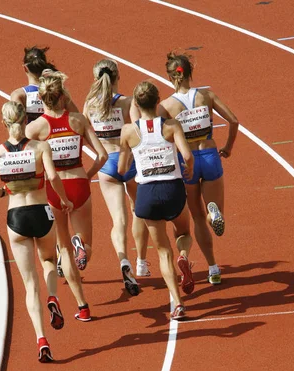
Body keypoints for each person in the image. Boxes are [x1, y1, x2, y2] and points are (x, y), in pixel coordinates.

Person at [0, 101, 73, 363]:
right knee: (48, 260)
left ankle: (41, 339)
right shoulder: (40, 147)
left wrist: (3, 193)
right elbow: (53, 178)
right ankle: (53, 296)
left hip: (15, 217)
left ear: (4, 123)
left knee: (30, 284)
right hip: (41, 211)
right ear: (25, 120)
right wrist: (64, 200)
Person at [25, 70, 107, 322]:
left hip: (53, 190)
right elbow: (102, 155)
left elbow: (29, 162)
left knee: (63, 251)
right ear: (63, 96)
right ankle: (80, 244)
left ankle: (83, 306)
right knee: (86, 246)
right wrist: (88, 174)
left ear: (41, 98)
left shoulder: (34, 128)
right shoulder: (79, 120)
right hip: (79, 183)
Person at [159, 51, 239, 285]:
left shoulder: (166, 106)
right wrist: (228, 147)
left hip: (188, 163)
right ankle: (217, 212)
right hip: (211, 155)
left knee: (197, 217)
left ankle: (213, 268)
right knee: (215, 210)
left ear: (171, 76)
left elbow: (159, 136)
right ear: (189, 74)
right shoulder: (207, 96)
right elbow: (233, 121)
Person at [119, 81, 195, 320]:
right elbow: (187, 155)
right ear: (157, 101)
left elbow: (122, 168)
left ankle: (178, 303)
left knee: (163, 252)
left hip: (147, 194)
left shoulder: (129, 131)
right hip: (173, 189)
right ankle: (184, 256)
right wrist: (189, 170)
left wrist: (138, 159)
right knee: (183, 232)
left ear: (136, 105)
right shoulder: (171, 125)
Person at [83, 58, 150, 297]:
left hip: (106, 167)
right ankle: (141, 261)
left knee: (118, 220)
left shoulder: (89, 105)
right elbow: (140, 131)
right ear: (118, 76)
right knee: (138, 212)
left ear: (95, 79)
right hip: (129, 162)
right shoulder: (127, 103)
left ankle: (124, 260)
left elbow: (83, 135)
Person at [10, 46, 79, 123]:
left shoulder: (18, 95)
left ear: (25, 68)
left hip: (31, 134)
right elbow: (77, 117)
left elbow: (17, 125)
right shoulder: (58, 92)